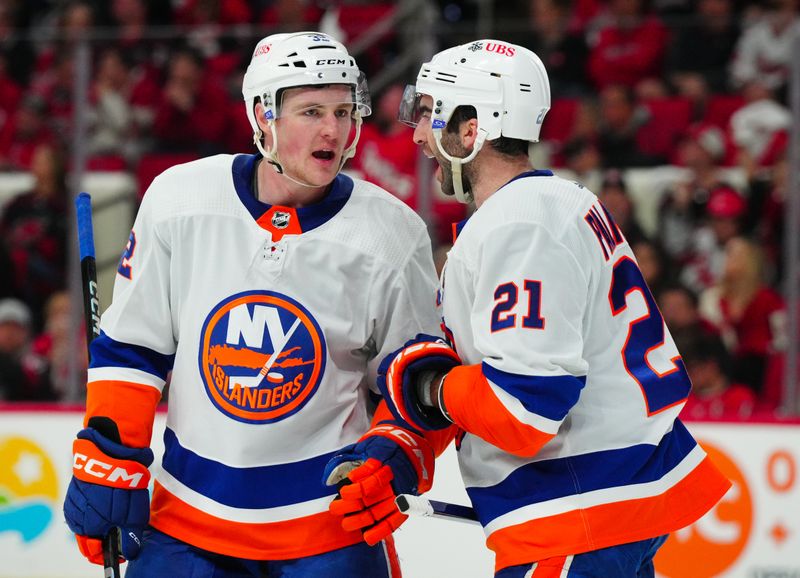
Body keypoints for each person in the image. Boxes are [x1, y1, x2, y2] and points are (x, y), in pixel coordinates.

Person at [328, 39, 731, 577]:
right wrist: (397, 454)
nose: (419, 135)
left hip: (577, 514)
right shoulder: (560, 202)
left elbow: (526, 406)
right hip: (607, 510)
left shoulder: (519, 226)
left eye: (428, 115)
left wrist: (429, 386)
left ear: (470, 130)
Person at [63, 31, 452, 577]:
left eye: (344, 111)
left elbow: (419, 379)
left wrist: (398, 453)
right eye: (311, 111)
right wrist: (108, 454)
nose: (333, 131)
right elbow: (133, 347)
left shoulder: (391, 233)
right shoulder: (181, 199)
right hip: (187, 519)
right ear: (261, 114)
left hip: (328, 524)